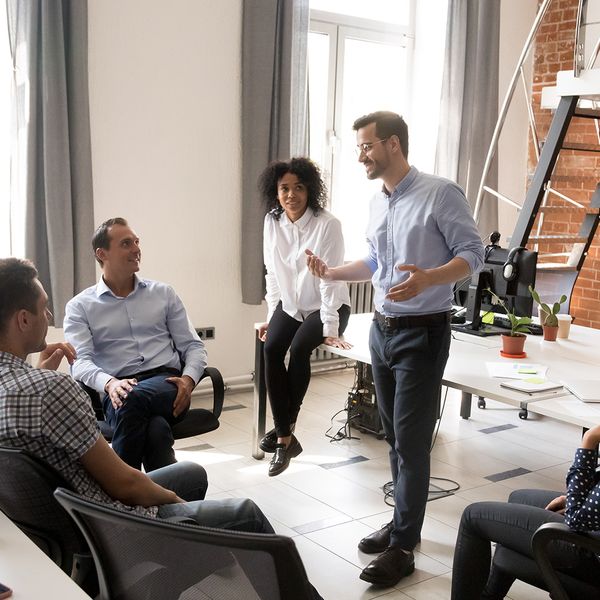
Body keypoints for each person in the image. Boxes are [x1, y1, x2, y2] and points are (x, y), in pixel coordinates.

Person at [306, 111, 484, 586]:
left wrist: (432, 277)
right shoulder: (376, 203)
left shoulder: (440, 193)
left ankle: (403, 545)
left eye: (366, 146)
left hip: (423, 332)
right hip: (382, 332)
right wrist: (331, 272)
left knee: (410, 440)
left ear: (393, 145)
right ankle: (403, 523)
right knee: (392, 435)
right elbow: (376, 262)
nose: (360, 155)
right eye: (359, 147)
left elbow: (473, 254)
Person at [0, 257, 273, 532]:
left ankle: (189, 559)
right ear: (23, 319)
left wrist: (38, 373)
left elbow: (192, 346)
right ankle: (180, 535)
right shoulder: (52, 390)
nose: (48, 317)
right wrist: (176, 503)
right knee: (247, 512)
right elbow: (124, 486)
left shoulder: (29, 387)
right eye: (44, 308)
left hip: (61, 525)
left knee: (189, 469)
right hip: (111, 525)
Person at [64, 217, 207, 472]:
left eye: (137, 242)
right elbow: (80, 362)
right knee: (156, 431)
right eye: (126, 243)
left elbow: (193, 346)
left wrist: (188, 380)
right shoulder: (80, 306)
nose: (136, 249)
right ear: (102, 253)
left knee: (133, 400)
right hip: (116, 389)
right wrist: (109, 383)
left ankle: (118, 494)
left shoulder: (163, 293)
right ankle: (164, 503)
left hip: (167, 385)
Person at [257, 157, 351, 476]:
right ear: (276, 191)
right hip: (291, 306)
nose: (291, 195)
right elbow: (272, 272)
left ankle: (283, 437)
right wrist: (272, 316)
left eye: (298, 187)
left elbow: (331, 279)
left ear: (309, 189)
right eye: (284, 188)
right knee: (270, 349)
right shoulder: (272, 222)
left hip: (330, 304)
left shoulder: (328, 224)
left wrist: (330, 326)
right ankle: (286, 437)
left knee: (298, 350)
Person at [451, 425, 600, 598]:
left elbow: (575, 520)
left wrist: (590, 439)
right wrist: (581, 496)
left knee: (472, 517)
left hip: (591, 553)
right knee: (518, 498)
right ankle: (489, 596)